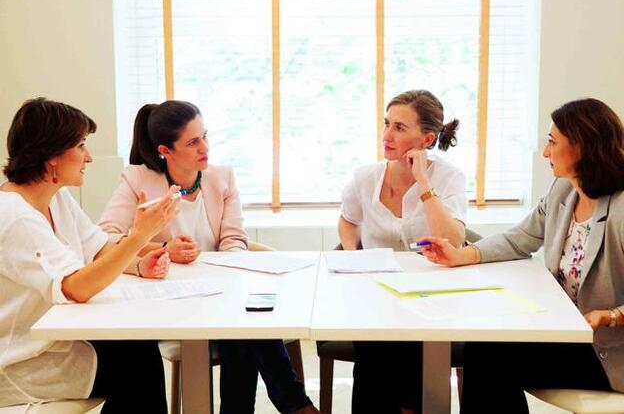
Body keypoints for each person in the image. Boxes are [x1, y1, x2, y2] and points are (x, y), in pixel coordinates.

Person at [98, 100, 318, 414]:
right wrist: (162, 251)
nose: (205, 147)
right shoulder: (138, 180)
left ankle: (286, 406)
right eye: (192, 142)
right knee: (243, 326)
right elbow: (105, 236)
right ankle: (296, 405)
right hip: (166, 300)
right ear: (165, 150)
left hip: (217, 293)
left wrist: (229, 265)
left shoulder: (221, 177)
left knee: (241, 327)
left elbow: (233, 238)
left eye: (205, 136)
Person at [420, 98, 624, 413]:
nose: (545, 152)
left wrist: (613, 315)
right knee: (485, 345)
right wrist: (461, 255)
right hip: (570, 336)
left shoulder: (621, 210)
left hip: (608, 353)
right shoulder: (564, 190)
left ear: (583, 147)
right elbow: (521, 237)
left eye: (553, 142)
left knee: (491, 357)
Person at [0, 97, 178, 413]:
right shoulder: (15, 215)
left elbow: (99, 248)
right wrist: (139, 236)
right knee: (138, 365)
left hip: (58, 341)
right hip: (22, 362)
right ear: (52, 155)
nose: (89, 157)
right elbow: (76, 287)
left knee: (138, 351)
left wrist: (138, 263)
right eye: (81, 146)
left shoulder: (57, 198)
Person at [339, 89, 467, 414]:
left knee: (410, 333)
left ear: (426, 139)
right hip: (375, 292)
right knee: (375, 336)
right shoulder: (365, 177)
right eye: (386, 124)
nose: (386, 135)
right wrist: (353, 255)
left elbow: (454, 238)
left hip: (433, 296)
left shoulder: (449, 177)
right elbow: (347, 222)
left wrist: (423, 183)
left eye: (399, 128)